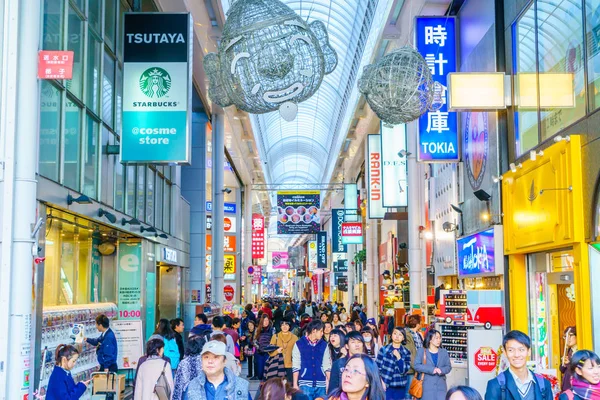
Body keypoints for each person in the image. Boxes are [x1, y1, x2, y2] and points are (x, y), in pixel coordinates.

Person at [484, 330, 553, 400]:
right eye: (511, 350)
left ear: (529, 352)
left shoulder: (543, 384)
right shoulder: (495, 385)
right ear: (505, 352)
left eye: (521, 350)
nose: (516, 355)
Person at [183, 340, 251, 400]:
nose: (210, 361)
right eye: (206, 357)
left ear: (224, 361)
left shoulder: (240, 386)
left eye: (216, 357)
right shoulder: (192, 387)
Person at [292, 320, 332, 400]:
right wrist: (295, 384)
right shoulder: (299, 344)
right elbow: (296, 365)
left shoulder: (324, 345)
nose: (322, 333)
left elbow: (327, 365)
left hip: (321, 384)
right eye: (321, 331)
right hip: (304, 383)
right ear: (314, 331)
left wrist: (330, 384)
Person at [413, 329, 452, 400]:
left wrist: (441, 370)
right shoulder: (421, 351)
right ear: (430, 339)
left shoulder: (444, 352)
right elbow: (416, 365)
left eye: (440, 338)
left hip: (441, 386)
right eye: (436, 338)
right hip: (426, 385)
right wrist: (431, 370)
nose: (439, 340)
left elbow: (448, 367)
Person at [376, 327, 412, 400]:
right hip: (386, 385)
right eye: (395, 333)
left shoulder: (406, 352)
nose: (397, 336)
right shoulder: (384, 350)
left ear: (403, 338)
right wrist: (381, 382)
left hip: (400, 386)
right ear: (391, 335)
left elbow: (404, 370)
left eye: (400, 335)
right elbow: (377, 368)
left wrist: (399, 358)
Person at [328, 331, 366, 396]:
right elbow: (332, 389)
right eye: (353, 342)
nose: (357, 345)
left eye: (359, 342)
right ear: (347, 346)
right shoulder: (338, 364)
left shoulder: (368, 363)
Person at [172, 336, 207, 400]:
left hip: (187, 394)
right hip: (203, 393)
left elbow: (178, 385)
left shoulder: (183, 362)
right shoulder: (205, 361)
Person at [404, 314, 423, 399]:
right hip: (411, 369)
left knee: (417, 391)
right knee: (409, 391)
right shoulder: (407, 335)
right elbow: (408, 353)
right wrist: (416, 366)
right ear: (418, 323)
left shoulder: (418, 334)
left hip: (418, 367)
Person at [255, 314, 275, 380]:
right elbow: (255, 340)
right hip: (260, 352)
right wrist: (258, 347)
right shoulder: (258, 329)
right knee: (260, 371)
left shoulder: (272, 329)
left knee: (267, 370)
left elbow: (274, 340)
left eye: (267, 320)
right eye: (264, 320)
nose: (266, 322)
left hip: (268, 353)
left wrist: (270, 348)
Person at [560, 326, 578, 391]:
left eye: (570, 335)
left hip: (576, 388)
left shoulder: (581, 351)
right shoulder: (568, 351)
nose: (568, 339)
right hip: (567, 387)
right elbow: (562, 370)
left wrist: (569, 364)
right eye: (565, 337)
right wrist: (563, 363)